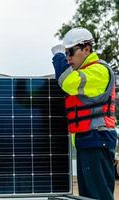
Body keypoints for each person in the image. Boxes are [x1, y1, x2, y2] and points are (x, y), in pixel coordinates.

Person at [51, 27, 116, 200]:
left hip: (97, 141)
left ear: (86, 49)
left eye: (70, 52)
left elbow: (68, 82)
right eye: (65, 53)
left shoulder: (99, 71)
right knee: (88, 197)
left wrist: (57, 56)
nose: (68, 58)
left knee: (97, 196)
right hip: (88, 141)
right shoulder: (84, 73)